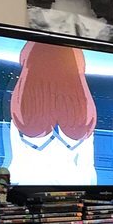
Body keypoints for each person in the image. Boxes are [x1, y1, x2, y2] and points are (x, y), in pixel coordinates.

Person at [8, 42, 98, 186]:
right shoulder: (84, 115)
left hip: (28, 187)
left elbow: (17, 167)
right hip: (74, 187)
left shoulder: (21, 113)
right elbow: (87, 169)